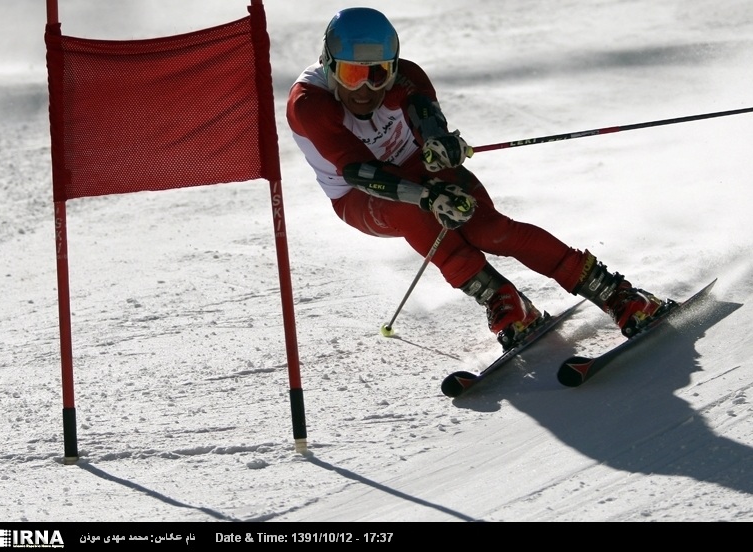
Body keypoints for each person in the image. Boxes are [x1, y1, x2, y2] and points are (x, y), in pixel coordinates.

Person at [286, 7, 667, 350]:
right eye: (352, 75)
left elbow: (427, 122)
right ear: (329, 64)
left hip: (418, 167)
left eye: (379, 73)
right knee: (410, 212)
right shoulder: (309, 103)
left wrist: (442, 146)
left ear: (394, 67)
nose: (366, 89)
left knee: (488, 229)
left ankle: (615, 293)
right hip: (359, 195)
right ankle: (499, 296)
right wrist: (427, 194)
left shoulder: (407, 78)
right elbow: (358, 170)